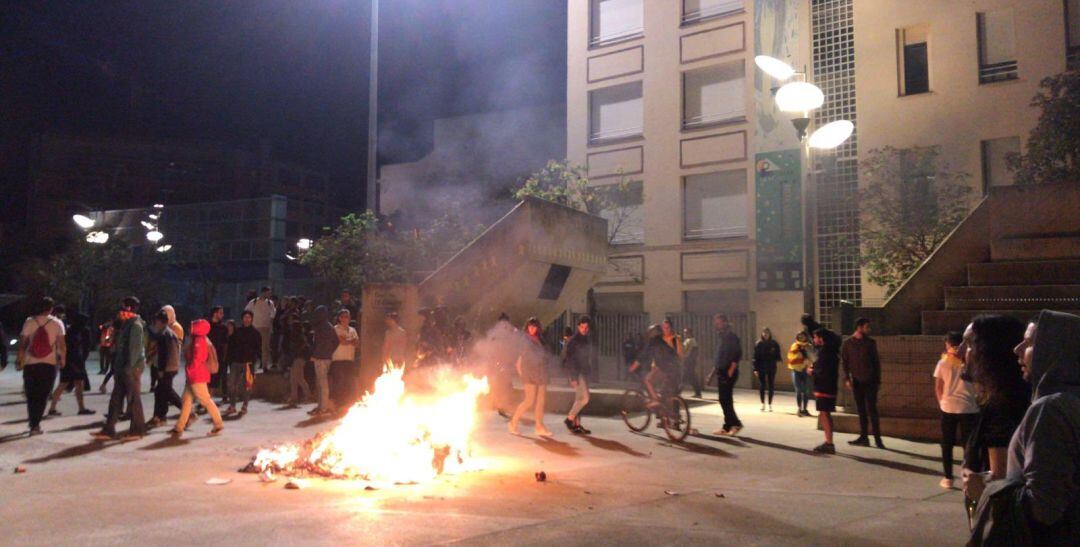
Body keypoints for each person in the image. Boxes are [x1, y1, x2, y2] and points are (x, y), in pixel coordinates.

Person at [970, 310, 1078, 544]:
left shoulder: (1050, 409)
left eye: (1029, 342)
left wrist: (988, 489)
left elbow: (1044, 507)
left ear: (1055, 349)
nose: (1017, 349)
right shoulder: (1071, 400)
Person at [959, 315, 1029, 513]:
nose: (960, 350)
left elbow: (1002, 478)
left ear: (992, 351)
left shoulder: (1003, 406)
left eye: (970, 343)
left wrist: (977, 481)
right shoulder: (1005, 399)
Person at [92, 297, 147, 441]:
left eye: (123, 308)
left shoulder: (135, 325)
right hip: (122, 366)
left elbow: (135, 350)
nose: (120, 311)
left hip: (131, 368)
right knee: (116, 398)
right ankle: (108, 429)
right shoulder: (125, 324)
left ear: (130, 308)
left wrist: (129, 368)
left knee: (134, 399)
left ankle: (137, 430)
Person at [934, 330, 978, 489]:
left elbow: (938, 386)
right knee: (968, 445)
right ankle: (969, 478)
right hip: (969, 407)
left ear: (948, 343)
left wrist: (942, 403)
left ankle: (947, 478)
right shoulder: (970, 361)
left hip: (948, 407)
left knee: (947, 444)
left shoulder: (943, 362)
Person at [17, 297, 66, 435]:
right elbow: (62, 345)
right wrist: (63, 360)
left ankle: (33, 423)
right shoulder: (57, 323)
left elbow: (22, 344)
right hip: (49, 364)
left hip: (30, 363)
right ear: (51, 308)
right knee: (43, 394)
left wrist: (20, 360)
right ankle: (36, 425)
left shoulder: (29, 321)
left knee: (31, 394)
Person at [172, 319, 224, 437]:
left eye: (193, 326)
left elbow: (197, 359)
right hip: (195, 375)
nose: (191, 328)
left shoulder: (199, 341)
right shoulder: (200, 339)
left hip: (197, 376)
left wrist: (190, 369)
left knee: (205, 400)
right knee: (186, 400)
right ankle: (179, 426)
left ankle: (218, 423)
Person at [841, 317, 884, 448]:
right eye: (866, 327)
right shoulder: (848, 343)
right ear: (859, 327)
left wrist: (877, 380)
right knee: (861, 410)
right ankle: (864, 437)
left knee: (872, 409)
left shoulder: (870, 343)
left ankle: (878, 438)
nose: (868, 329)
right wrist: (847, 378)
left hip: (870, 380)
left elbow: (876, 362)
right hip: (857, 381)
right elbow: (845, 362)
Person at [508, 317, 553, 437]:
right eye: (530, 326)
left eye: (534, 326)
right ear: (527, 327)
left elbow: (544, 355)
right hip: (530, 372)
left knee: (541, 401)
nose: (532, 329)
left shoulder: (540, 339)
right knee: (529, 400)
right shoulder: (524, 339)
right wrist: (522, 374)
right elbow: (519, 359)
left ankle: (539, 426)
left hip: (541, 372)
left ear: (538, 328)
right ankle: (513, 422)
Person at [47, 311, 94, 417]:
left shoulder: (71, 331)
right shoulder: (73, 333)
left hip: (73, 361)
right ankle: (53, 408)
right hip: (73, 361)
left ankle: (79, 408)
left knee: (74, 384)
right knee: (66, 384)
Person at [146, 310, 183, 428]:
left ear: (159, 322)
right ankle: (159, 417)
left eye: (156, 321)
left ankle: (188, 412)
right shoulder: (169, 333)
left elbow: (164, 354)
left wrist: (161, 369)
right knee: (160, 392)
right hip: (173, 366)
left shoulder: (164, 335)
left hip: (167, 368)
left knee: (167, 392)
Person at [631, 324, 681, 410]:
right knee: (666, 391)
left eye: (650, 333)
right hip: (675, 367)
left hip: (665, 367)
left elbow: (643, 356)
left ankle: (655, 400)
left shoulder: (653, 342)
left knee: (647, 380)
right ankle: (669, 416)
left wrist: (632, 367)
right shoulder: (662, 341)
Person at [809, 325, 842, 453]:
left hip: (824, 386)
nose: (814, 340)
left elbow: (823, 370)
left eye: (815, 337)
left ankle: (829, 443)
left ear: (821, 338)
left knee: (824, 413)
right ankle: (828, 441)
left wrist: (812, 371)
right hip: (828, 386)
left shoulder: (825, 352)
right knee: (825, 413)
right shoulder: (831, 350)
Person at [562, 315, 597, 435]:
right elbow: (570, 360)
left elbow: (585, 358)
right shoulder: (574, 340)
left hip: (583, 372)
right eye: (582, 327)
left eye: (586, 327)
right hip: (577, 373)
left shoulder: (585, 339)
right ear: (578, 327)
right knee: (585, 398)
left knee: (579, 399)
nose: (584, 329)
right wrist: (573, 377)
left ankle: (576, 425)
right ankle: (569, 419)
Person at [710, 314, 743, 436]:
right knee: (723, 399)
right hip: (721, 371)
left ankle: (736, 424)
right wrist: (711, 374)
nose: (717, 325)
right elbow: (719, 358)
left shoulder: (731, 337)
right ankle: (727, 426)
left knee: (726, 399)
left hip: (728, 372)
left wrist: (731, 369)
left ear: (725, 323)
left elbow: (737, 354)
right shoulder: (721, 337)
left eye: (719, 323)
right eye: (716, 323)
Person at [225, 310, 260, 417]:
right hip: (236, 361)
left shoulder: (255, 333)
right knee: (231, 384)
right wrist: (229, 360)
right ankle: (232, 406)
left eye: (249, 317)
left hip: (248, 363)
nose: (247, 319)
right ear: (242, 318)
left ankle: (245, 405)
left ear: (252, 319)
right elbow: (231, 345)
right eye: (245, 317)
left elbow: (258, 349)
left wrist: (255, 364)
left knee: (247, 386)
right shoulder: (237, 331)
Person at [309, 305, 338, 416]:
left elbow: (320, 344)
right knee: (321, 383)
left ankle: (323, 407)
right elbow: (336, 342)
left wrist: (316, 354)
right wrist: (329, 352)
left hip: (320, 358)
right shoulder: (329, 326)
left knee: (322, 383)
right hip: (325, 357)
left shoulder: (322, 327)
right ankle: (321, 406)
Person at [330, 308, 359, 413]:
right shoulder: (336, 329)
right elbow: (342, 342)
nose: (346, 319)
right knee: (339, 382)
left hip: (349, 359)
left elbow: (357, 344)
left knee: (348, 382)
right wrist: (351, 340)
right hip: (338, 359)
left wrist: (349, 341)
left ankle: (346, 403)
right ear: (339, 318)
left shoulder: (352, 330)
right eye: (344, 316)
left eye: (347, 316)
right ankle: (338, 403)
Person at [283, 315, 312, 408]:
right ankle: (295, 397)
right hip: (299, 359)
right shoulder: (300, 337)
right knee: (295, 379)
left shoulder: (298, 338)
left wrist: (292, 359)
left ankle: (306, 396)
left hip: (298, 359)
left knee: (297, 379)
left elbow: (296, 350)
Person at [245, 286, 276, 370]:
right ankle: (252, 364)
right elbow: (247, 311)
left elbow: (273, 315)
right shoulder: (253, 302)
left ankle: (264, 365)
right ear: (264, 292)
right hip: (255, 327)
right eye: (268, 293)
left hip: (265, 327)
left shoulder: (270, 303)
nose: (269, 294)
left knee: (265, 347)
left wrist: (270, 325)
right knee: (253, 346)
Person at [753, 328, 782, 412]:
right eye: (764, 333)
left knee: (771, 385)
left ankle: (770, 404)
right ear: (762, 334)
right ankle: (762, 403)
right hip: (761, 366)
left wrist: (777, 358)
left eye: (767, 333)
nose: (766, 335)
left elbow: (778, 354)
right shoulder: (758, 344)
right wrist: (755, 369)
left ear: (770, 334)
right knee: (762, 385)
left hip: (771, 366)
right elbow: (755, 357)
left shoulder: (774, 343)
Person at [788, 332, 814, 417]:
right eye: (800, 336)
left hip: (806, 370)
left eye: (803, 336)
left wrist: (809, 363)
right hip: (796, 370)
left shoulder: (809, 346)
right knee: (798, 390)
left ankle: (805, 409)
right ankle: (799, 408)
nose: (801, 337)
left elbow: (813, 358)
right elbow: (791, 358)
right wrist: (802, 357)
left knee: (806, 391)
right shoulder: (794, 346)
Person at [207, 305, 229, 398]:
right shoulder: (207, 325)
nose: (222, 315)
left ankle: (208, 398)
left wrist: (224, 357)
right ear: (215, 313)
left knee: (215, 378)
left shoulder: (223, 328)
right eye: (220, 312)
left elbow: (225, 343)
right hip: (206, 355)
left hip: (217, 356)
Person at [682, 328, 703, 398]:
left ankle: (698, 392)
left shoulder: (692, 341)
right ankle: (698, 392)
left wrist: (688, 360)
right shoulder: (688, 340)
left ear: (690, 333)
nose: (684, 334)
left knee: (687, 377)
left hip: (689, 362)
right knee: (690, 377)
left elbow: (692, 352)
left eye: (686, 332)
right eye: (684, 332)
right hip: (687, 361)